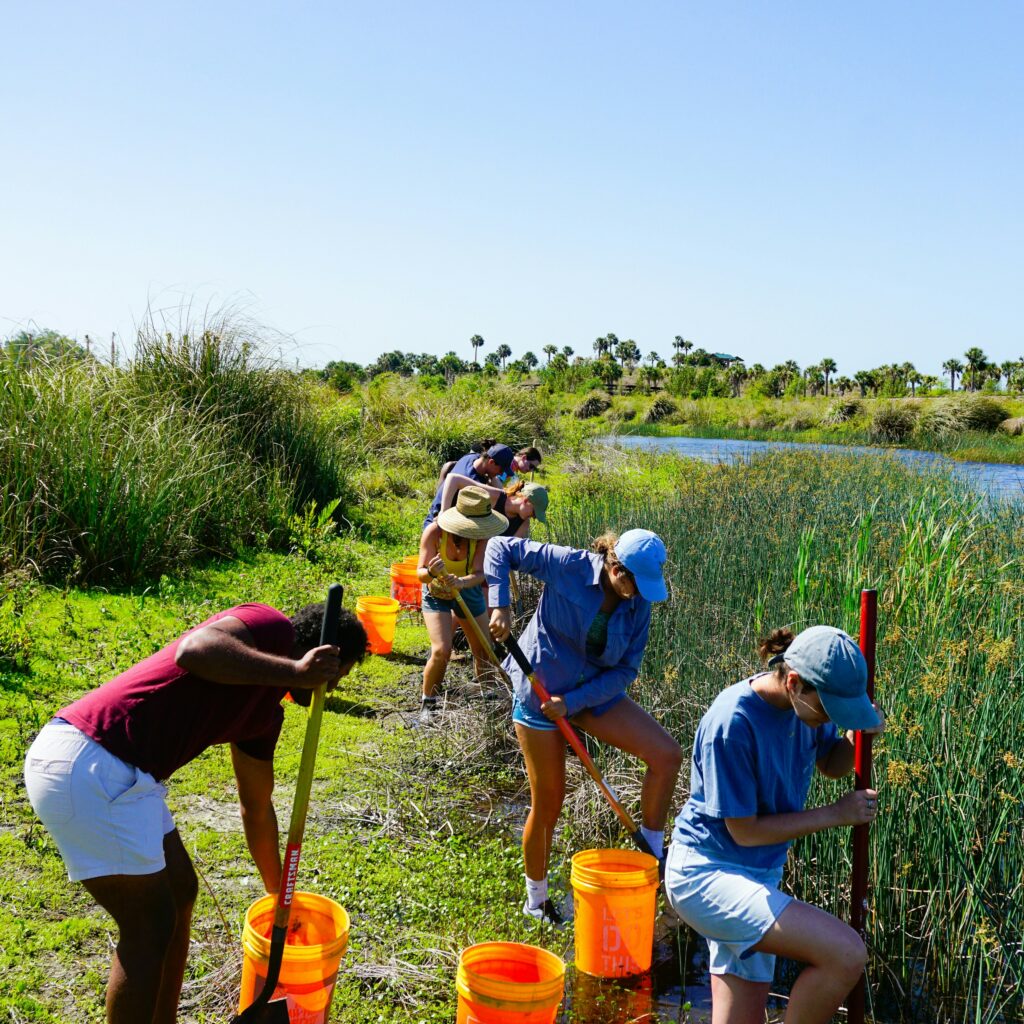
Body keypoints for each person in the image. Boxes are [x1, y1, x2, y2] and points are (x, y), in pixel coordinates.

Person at [23, 601, 368, 1024]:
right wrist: (295, 672)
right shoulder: (270, 628)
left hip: (127, 777)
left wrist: (281, 898)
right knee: (149, 926)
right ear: (321, 656)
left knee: (181, 890)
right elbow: (195, 649)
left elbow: (255, 809)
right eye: (336, 675)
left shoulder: (263, 716)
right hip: (92, 761)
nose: (329, 691)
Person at [664, 626, 886, 1024]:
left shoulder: (804, 709)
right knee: (845, 954)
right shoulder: (732, 723)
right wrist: (835, 814)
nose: (829, 719)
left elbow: (831, 764)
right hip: (705, 874)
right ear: (795, 683)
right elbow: (744, 831)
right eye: (829, 709)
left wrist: (857, 735)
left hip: (758, 874)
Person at [486, 529, 683, 925]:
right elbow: (499, 547)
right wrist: (500, 606)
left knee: (667, 755)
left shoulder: (639, 602)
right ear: (614, 567)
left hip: (589, 695)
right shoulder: (569, 566)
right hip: (540, 693)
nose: (637, 594)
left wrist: (573, 703)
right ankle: (536, 902)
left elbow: (627, 668)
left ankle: (652, 856)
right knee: (549, 803)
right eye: (633, 584)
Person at [418, 485, 509, 718]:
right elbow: (420, 574)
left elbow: (480, 574)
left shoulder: (482, 540)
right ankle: (428, 706)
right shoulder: (435, 533)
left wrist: (461, 582)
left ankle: (488, 699)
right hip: (436, 592)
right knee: (442, 650)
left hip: (467, 591)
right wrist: (431, 571)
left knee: (483, 649)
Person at [424, 443, 516, 527]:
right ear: (491, 462)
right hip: (438, 523)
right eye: (501, 470)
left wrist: (491, 476)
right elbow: (498, 497)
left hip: (439, 512)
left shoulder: (472, 457)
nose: (501, 474)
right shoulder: (471, 482)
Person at [441, 471, 549, 539]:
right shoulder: (494, 496)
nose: (533, 517)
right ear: (526, 500)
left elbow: (509, 549)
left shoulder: (523, 524)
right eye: (534, 512)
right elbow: (453, 478)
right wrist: (443, 513)